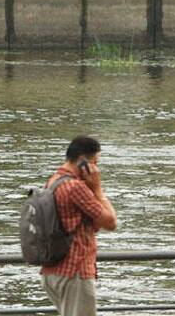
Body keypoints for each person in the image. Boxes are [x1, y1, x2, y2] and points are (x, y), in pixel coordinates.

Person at [41, 135, 118, 316]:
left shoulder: (53, 181)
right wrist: (97, 188)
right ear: (84, 162)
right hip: (75, 272)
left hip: (53, 269)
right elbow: (110, 222)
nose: (97, 169)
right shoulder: (75, 188)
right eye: (95, 163)